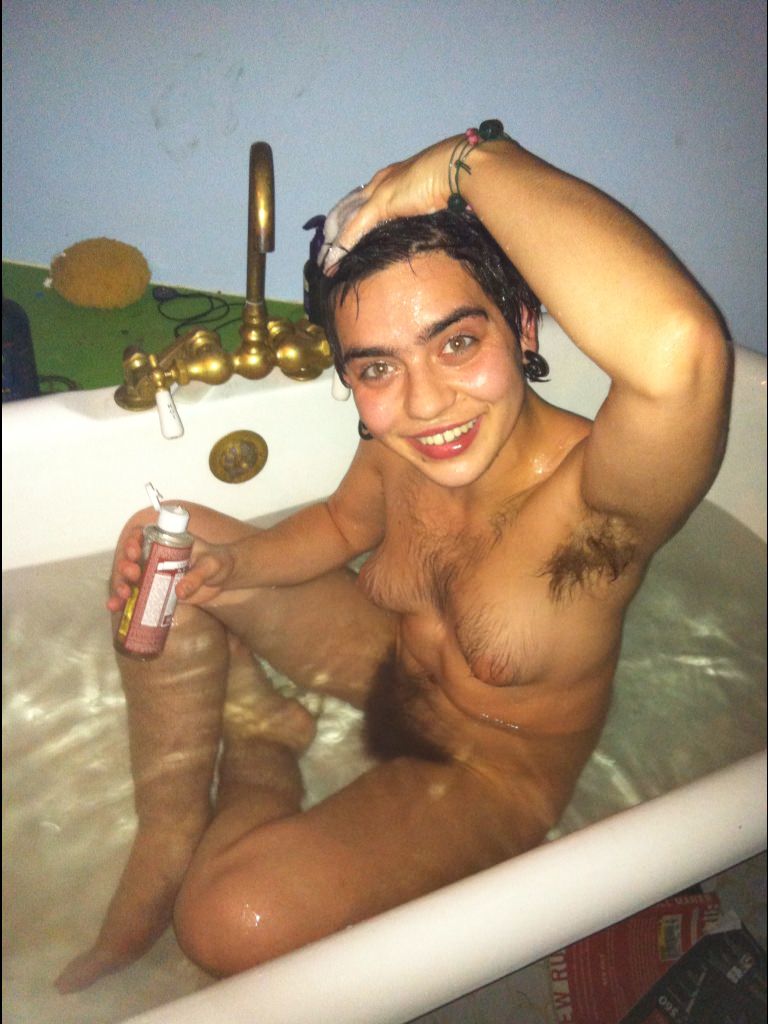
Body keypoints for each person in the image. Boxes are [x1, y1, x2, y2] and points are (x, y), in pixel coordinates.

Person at [55, 121, 731, 992]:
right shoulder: (403, 442)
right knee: (167, 548)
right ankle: (169, 825)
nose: (425, 402)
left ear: (522, 326)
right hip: (389, 670)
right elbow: (342, 526)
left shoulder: (592, 515)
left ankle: (260, 760)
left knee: (229, 922)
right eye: (377, 368)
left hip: (486, 771)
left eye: (458, 343)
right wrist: (236, 572)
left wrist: (467, 162)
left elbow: (682, 357)